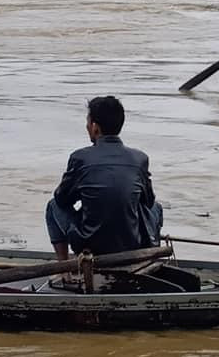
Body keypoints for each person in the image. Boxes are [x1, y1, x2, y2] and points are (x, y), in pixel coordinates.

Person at [45, 96, 162, 261]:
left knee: (53, 206)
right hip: (131, 243)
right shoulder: (140, 159)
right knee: (157, 207)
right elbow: (149, 202)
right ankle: (146, 258)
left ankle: (63, 268)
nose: (86, 126)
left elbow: (62, 199)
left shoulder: (80, 158)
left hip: (88, 244)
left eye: (87, 122)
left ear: (94, 127)